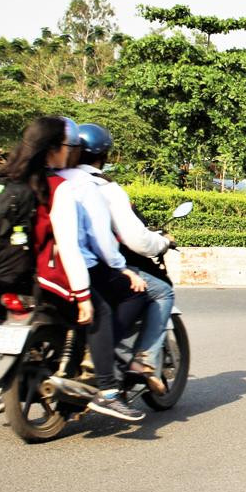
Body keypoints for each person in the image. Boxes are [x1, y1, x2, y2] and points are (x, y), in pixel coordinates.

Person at [53, 132, 152, 418]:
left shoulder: (40, 177)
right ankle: (105, 379)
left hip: (37, 267)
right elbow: (102, 237)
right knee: (134, 294)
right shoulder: (88, 185)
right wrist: (121, 267)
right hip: (78, 264)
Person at [75, 123, 175, 393]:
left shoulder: (58, 180)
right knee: (161, 292)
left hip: (52, 266)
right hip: (95, 265)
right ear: (104, 156)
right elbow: (136, 240)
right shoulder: (103, 188)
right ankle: (140, 360)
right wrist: (163, 242)